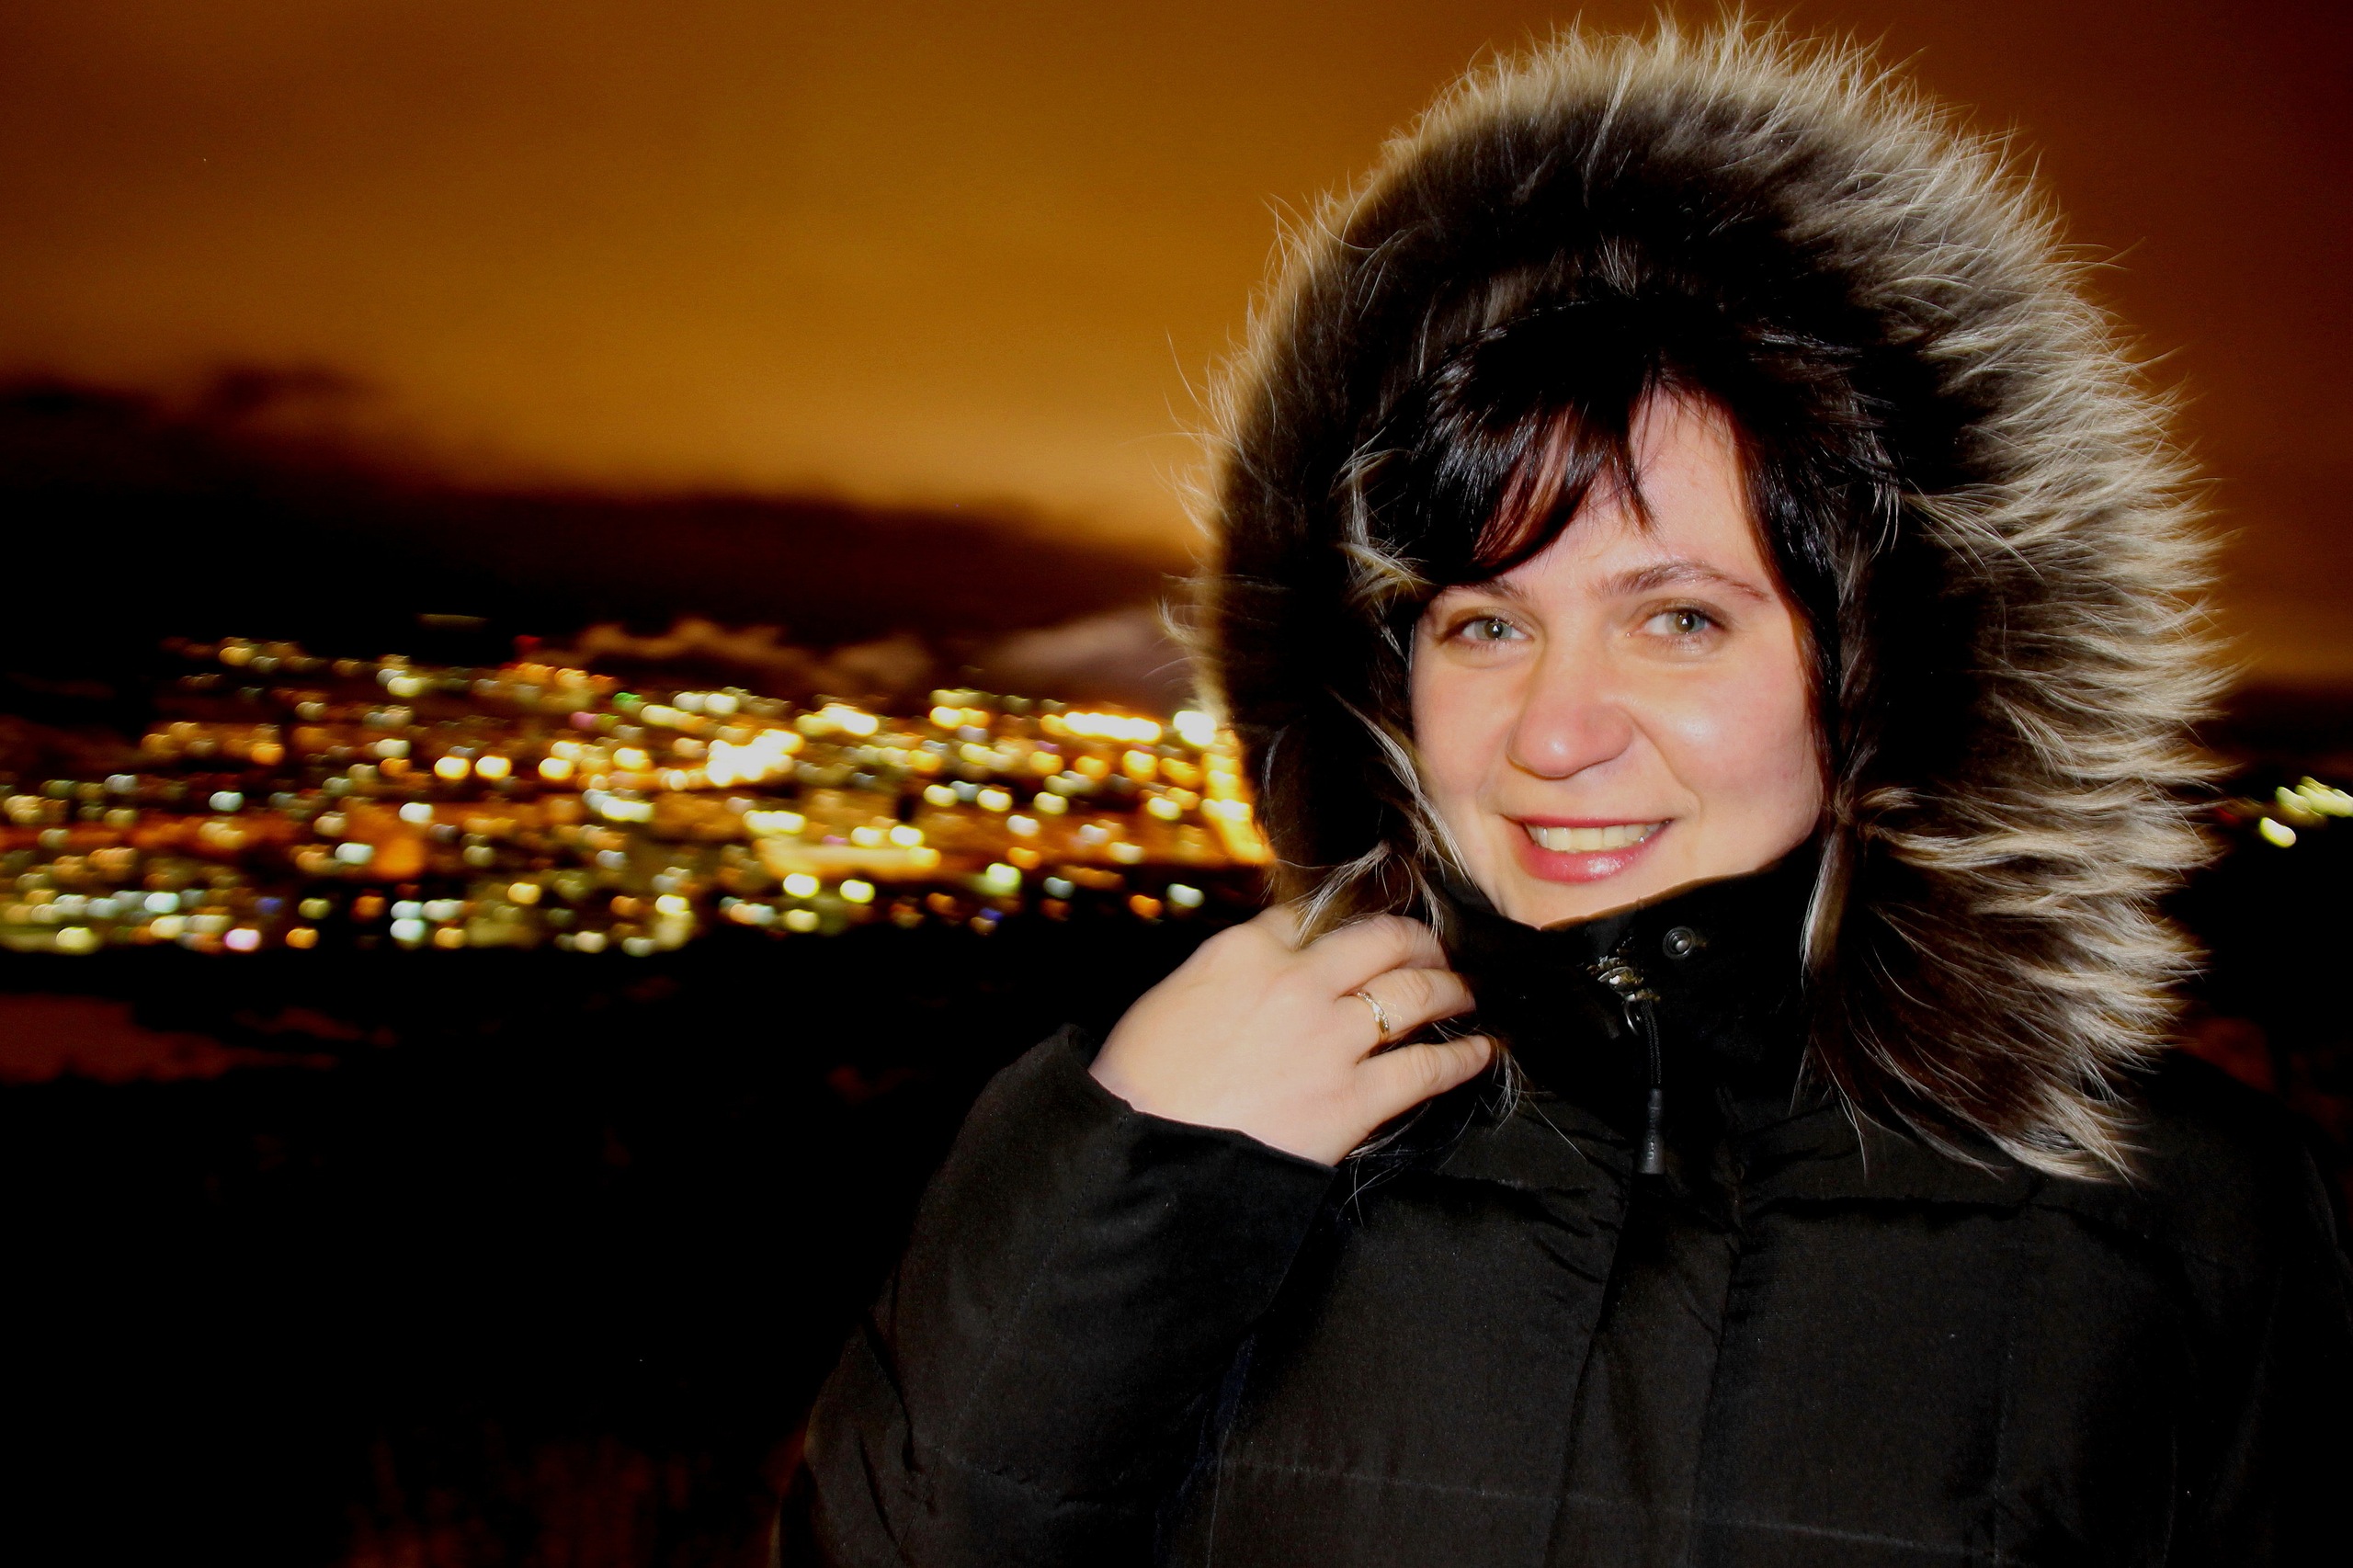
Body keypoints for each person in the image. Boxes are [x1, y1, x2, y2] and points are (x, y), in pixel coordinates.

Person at [785, 24, 2353, 1565]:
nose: (1553, 734)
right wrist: (1133, 1168)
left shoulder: (2174, 1210)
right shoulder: (1231, 1124)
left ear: (1883, 666)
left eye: (1680, 619)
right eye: (1486, 623)